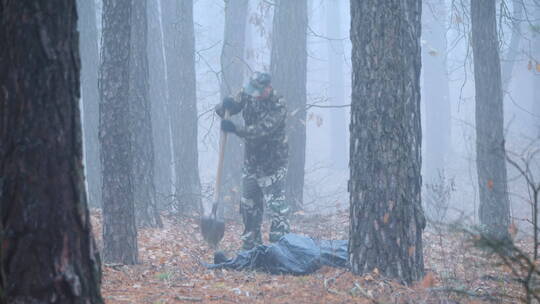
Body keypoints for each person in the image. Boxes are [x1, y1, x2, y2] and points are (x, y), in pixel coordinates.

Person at [216, 72, 290, 250]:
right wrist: (226, 105)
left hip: (273, 164)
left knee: (277, 207)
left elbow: (261, 131)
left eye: (258, 92)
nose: (254, 95)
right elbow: (224, 110)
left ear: (268, 89)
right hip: (252, 162)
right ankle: (251, 247)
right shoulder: (247, 93)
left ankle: (281, 248)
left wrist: (235, 129)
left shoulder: (278, 104)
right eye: (253, 91)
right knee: (249, 205)